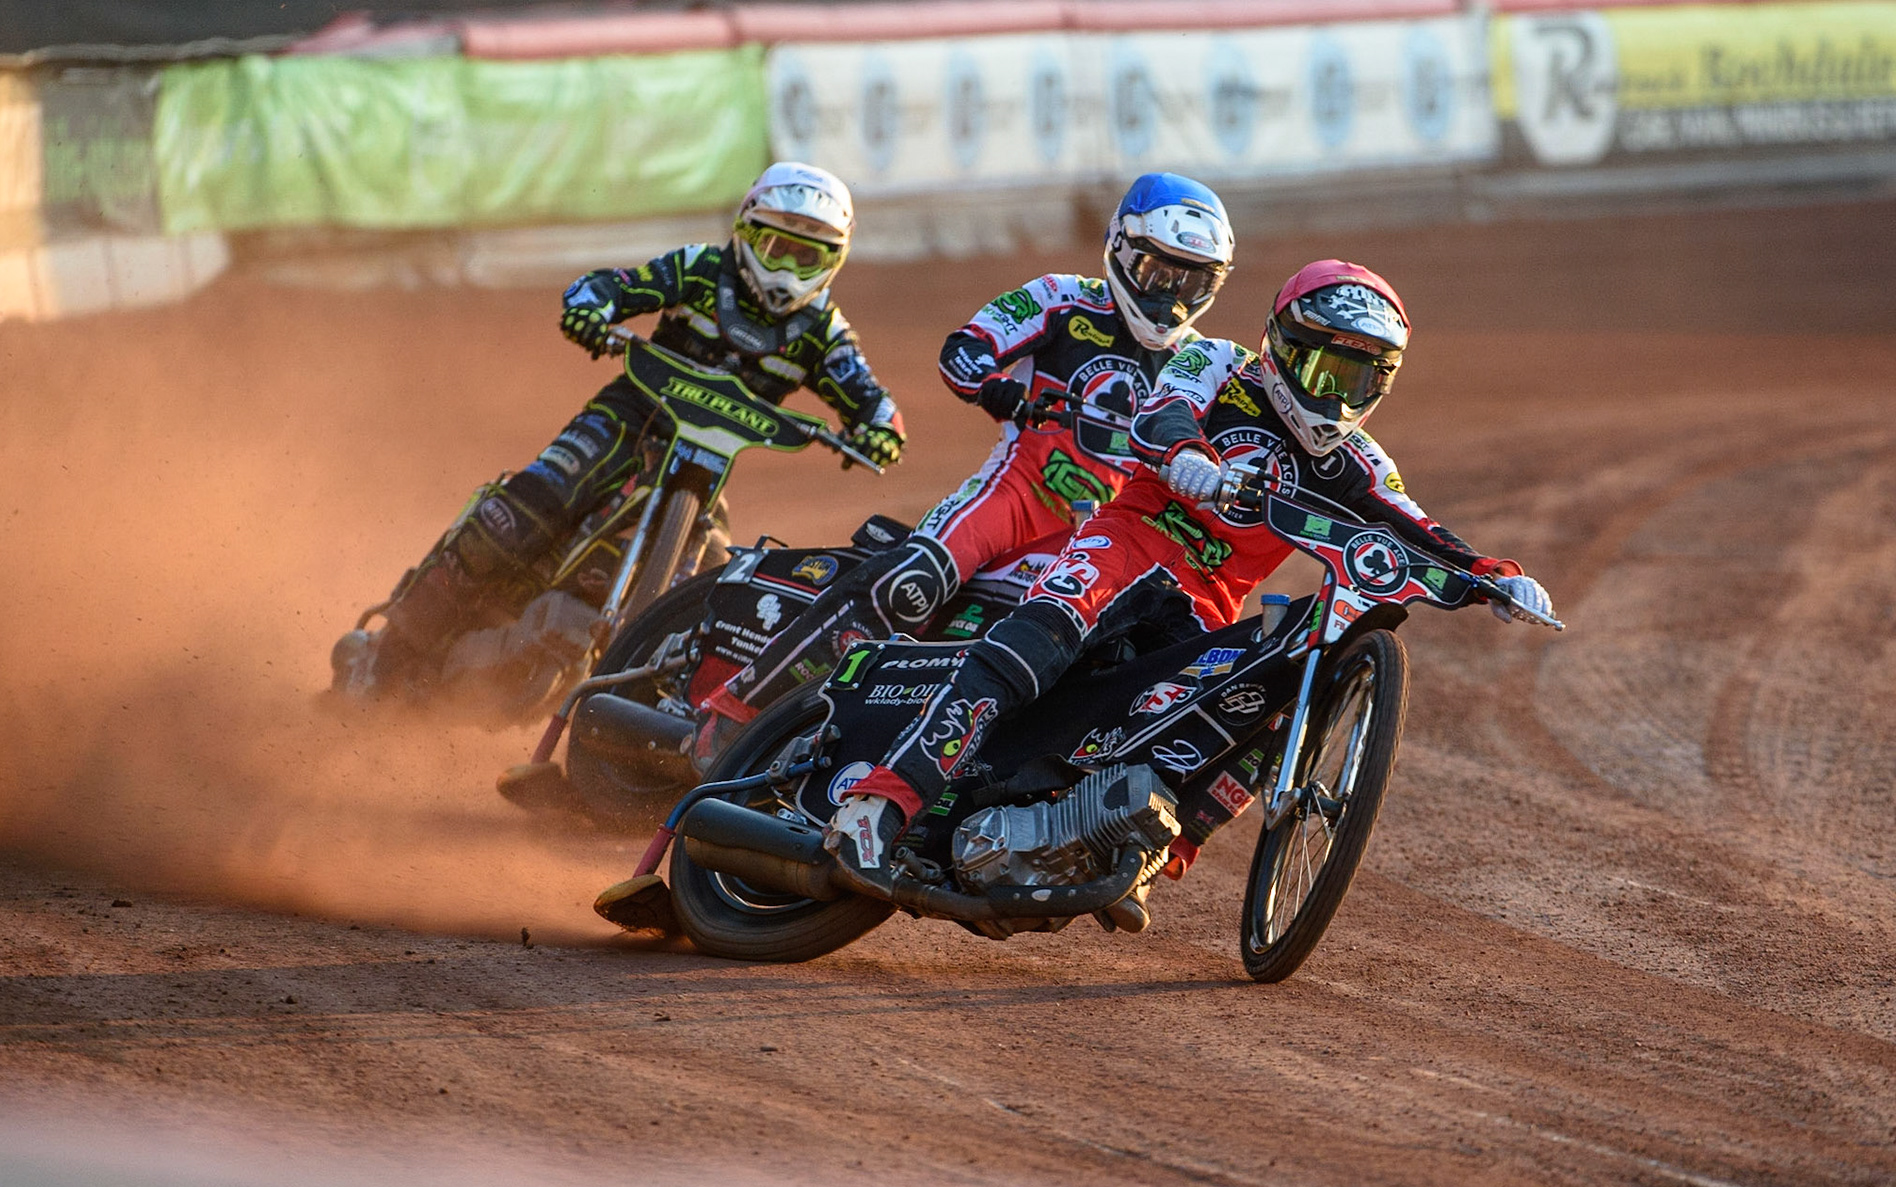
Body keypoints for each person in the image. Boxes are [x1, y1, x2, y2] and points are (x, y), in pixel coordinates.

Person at [823, 260, 1556, 930]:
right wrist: (1186, 454)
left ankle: (1144, 849)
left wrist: (1494, 577)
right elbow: (1164, 409)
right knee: (1031, 646)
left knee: (1261, 700)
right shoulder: (1222, 365)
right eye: (1328, 369)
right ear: (1286, 348)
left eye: (1361, 380)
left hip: (1204, 603)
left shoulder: (1360, 461)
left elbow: (1416, 527)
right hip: (1129, 539)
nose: (1339, 395)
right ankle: (879, 803)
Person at [682, 173, 1236, 766]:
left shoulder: (1198, 362)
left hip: (1103, 532)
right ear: (1123, 252)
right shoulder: (1062, 297)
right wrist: (993, 387)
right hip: (1015, 495)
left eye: (1192, 282)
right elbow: (965, 348)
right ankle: (732, 710)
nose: (1169, 298)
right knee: (911, 584)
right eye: (1159, 275)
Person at [336, 162, 906, 698]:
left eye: (806, 257)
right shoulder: (701, 270)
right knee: (518, 513)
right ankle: (391, 649)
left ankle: (621, 722)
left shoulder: (825, 334)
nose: (785, 269)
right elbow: (613, 285)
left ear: (833, 260)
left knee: (712, 581)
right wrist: (592, 308)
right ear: (745, 233)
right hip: (630, 418)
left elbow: (873, 400)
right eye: (776, 246)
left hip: (702, 465)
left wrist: (879, 430)